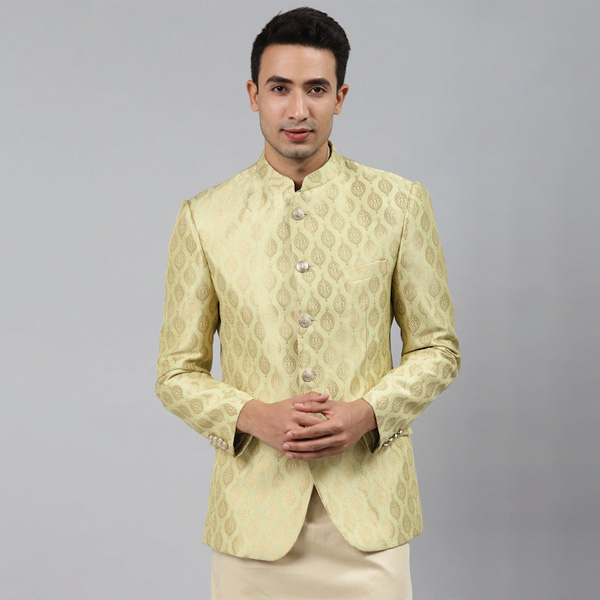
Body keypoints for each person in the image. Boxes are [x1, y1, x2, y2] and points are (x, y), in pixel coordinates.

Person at [155, 6, 461, 599]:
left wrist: (367, 412)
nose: (298, 110)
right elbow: (175, 373)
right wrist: (253, 416)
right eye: (280, 89)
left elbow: (438, 349)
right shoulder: (205, 217)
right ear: (254, 95)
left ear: (340, 97)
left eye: (316, 89)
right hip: (253, 520)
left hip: (371, 514)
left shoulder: (399, 204)